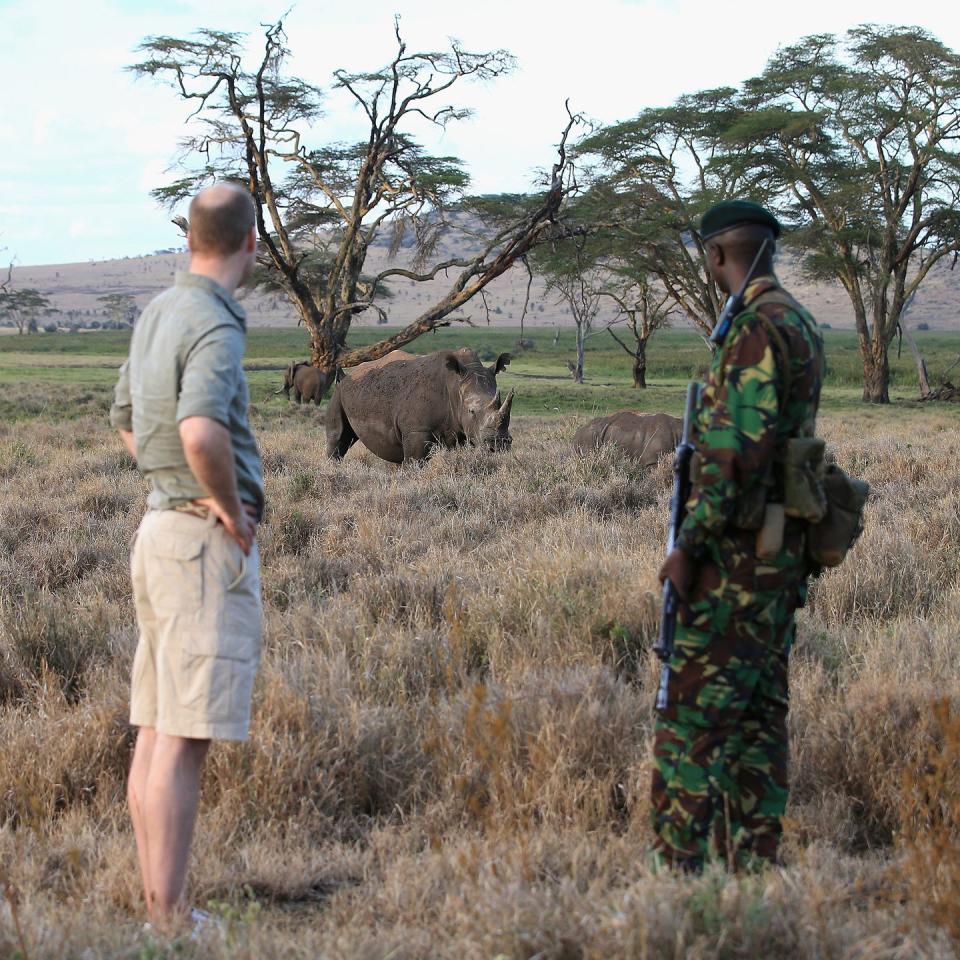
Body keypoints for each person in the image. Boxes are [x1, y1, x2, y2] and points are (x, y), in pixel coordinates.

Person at [652, 200, 825, 871]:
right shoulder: (799, 322)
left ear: (717, 256)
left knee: (690, 722)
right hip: (781, 558)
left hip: (735, 564)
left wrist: (687, 548)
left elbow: (735, 457)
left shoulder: (754, 329)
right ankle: (751, 872)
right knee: (756, 725)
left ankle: (674, 881)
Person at [109, 182, 264, 926]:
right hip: (199, 545)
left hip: (157, 530)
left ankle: (159, 907)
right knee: (183, 738)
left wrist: (171, 483)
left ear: (190, 236)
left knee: (158, 728)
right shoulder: (213, 321)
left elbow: (126, 420)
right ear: (250, 243)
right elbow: (201, 430)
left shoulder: (160, 311)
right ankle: (170, 918)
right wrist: (226, 507)